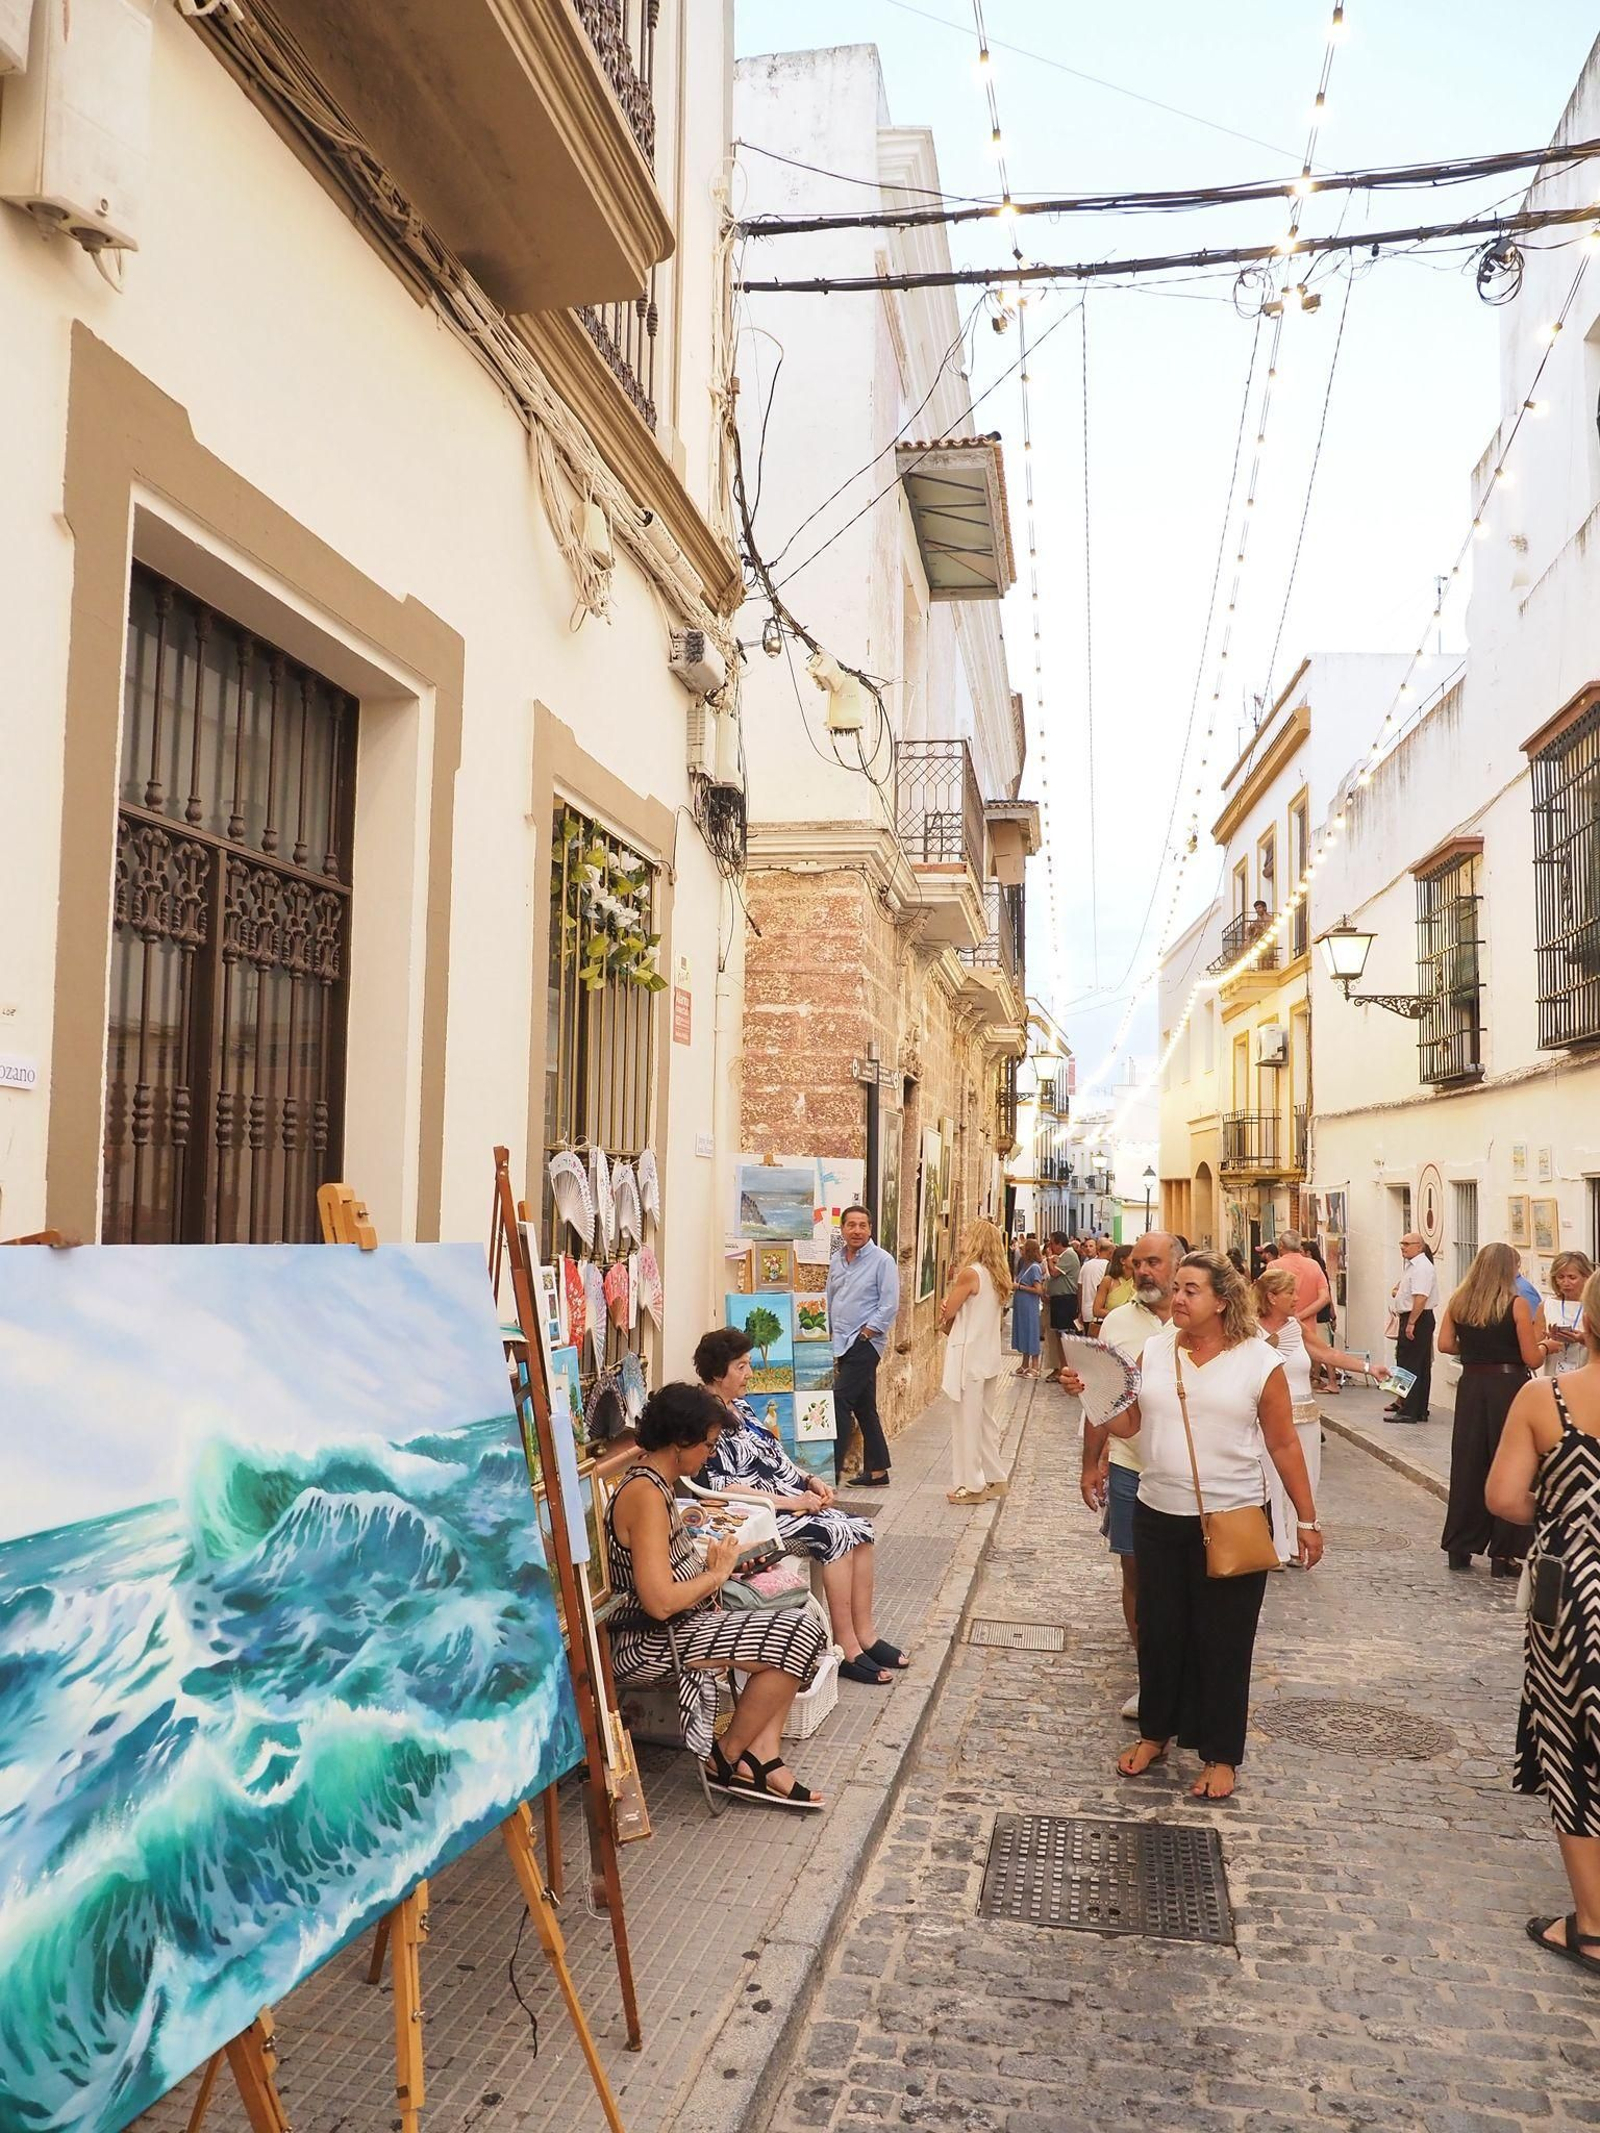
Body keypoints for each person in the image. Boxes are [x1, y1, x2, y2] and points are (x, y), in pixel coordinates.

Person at [1105, 1250, 1323, 1799]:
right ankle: (1157, 1732)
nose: (1177, 1298)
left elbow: (1281, 1442)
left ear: (1222, 1302)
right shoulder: (1155, 1350)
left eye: (1190, 1290)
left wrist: (1307, 1518)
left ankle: (1221, 1753)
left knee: (1223, 1640)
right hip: (1158, 1510)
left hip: (1234, 1516)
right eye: (1175, 1288)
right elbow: (1131, 1423)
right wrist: (1096, 1394)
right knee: (1160, 1632)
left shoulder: (1258, 1361)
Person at [606, 1382, 827, 1809]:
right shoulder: (646, 1495)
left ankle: (759, 1755)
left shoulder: (654, 1484)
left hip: (680, 1625)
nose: (709, 1453)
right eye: (706, 1444)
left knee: (803, 1624)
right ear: (680, 1442)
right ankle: (729, 1757)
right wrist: (717, 1573)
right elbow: (660, 1602)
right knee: (799, 1633)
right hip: (650, 1641)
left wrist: (723, 1561)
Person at [1485, 1268, 1600, 1977]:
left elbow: (1502, 1497)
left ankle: (1591, 1922)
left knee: (1574, 1749)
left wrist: (1566, 1519)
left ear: (1584, 1322)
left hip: (1576, 1600)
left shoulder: (1545, 1397)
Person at [692, 1328, 907, 1687]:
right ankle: (847, 1647)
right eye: (741, 1367)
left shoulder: (741, 1406)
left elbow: (774, 1455)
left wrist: (810, 1479)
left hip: (790, 1498)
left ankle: (866, 1634)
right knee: (836, 1533)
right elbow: (722, 1484)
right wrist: (794, 1502)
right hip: (761, 1511)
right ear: (718, 1373)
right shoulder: (706, 1418)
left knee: (861, 1530)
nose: (749, 1373)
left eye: (748, 1365)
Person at [1069, 1231, 1183, 1722]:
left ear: (1178, 1265)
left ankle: (1186, 1674)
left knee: (1183, 1579)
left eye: (1154, 1262)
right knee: (1134, 1572)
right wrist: (1089, 1462)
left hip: (1187, 1474)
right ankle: (1150, 1677)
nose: (1143, 1272)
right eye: (1137, 1263)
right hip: (1130, 1467)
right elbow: (1102, 1397)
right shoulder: (1116, 1321)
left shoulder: (1202, 1316)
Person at [1254, 1268, 1378, 1564]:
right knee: (1271, 1481)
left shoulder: (1296, 1328)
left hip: (1306, 1418)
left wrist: (1368, 1369)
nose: (1297, 1298)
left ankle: (1298, 1543)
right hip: (1268, 1421)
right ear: (1271, 1297)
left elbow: (1327, 1354)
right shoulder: (1249, 1331)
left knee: (1305, 1480)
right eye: (1290, 1293)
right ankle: (1274, 1547)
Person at [1437, 1242, 1543, 1575]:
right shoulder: (1517, 1306)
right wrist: (1546, 1344)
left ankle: (1460, 1545)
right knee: (1512, 1463)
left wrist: (1472, 1349)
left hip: (1471, 1386)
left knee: (1468, 1462)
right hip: (1508, 1387)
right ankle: (1504, 1552)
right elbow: (1531, 1358)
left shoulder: (1459, 1302)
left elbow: (1444, 1345)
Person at [938, 1217, 1013, 1504]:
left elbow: (948, 1313)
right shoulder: (996, 1276)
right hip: (988, 1355)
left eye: (967, 1234)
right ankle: (995, 1476)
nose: (962, 1238)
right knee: (984, 1420)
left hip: (968, 1356)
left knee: (966, 1422)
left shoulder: (970, 1273)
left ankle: (971, 1484)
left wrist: (946, 1307)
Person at [826, 1205, 899, 1488]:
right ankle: (878, 1471)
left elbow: (889, 1303)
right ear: (843, 1229)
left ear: (870, 1229)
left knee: (839, 1400)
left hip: (865, 1342)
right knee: (865, 1406)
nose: (856, 1230)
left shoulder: (882, 1261)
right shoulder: (837, 1259)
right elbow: (830, 1296)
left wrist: (867, 1333)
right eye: (851, 1225)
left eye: (862, 1225)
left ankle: (830, 1471)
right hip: (840, 1342)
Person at [1386, 1232, 1440, 1423]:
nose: (1403, 1246)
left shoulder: (1422, 1267)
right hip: (1413, 1317)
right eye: (1402, 1243)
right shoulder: (1412, 1266)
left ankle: (1408, 1409)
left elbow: (1421, 1297)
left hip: (1417, 1318)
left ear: (1419, 1246)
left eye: (1407, 1244)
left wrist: (1411, 1323)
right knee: (1415, 1364)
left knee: (1409, 1364)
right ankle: (1416, 1408)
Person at [1542, 1251, 1595, 1376]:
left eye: (1572, 1277)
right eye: (1561, 1277)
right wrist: (1548, 1341)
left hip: (1587, 1375)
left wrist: (1583, 1339)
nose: (1566, 1283)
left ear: (1586, 1277)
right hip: (1554, 1374)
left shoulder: (1594, 1306)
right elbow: (1533, 1351)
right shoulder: (1547, 1305)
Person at [1273, 1230, 1331, 1346]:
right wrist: (1301, 1315)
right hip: (1309, 1331)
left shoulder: (1274, 1266)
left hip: (1283, 1330)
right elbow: (1325, 1298)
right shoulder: (1314, 1265)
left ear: (1281, 1245)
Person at [1043, 1231, 1081, 1374]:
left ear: (1059, 1243)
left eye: (1052, 1243)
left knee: (1064, 1336)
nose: (1050, 1247)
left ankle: (1065, 1367)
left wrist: (1048, 1258)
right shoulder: (1062, 1257)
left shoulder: (1069, 1255)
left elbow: (1054, 1273)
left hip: (1065, 1300)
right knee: (1058, 1336)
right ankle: (1061, 1366)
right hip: (1058, 1300)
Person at [1009, 1235, 1045, 1378]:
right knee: (1023, 1332)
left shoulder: (1035, 1268)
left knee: (1031, 1332)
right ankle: (1024, 1364)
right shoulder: (1025, 1266)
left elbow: (1038, 1290)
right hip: (1021, 1306)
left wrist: (1019, 1287)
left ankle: (1035, 1366)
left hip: (1029, 1306)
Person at [1094, 1243, 1136, 1323]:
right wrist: (1120, 1316)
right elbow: (1096, 1310)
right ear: (1122, 1260)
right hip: (1112, 1326)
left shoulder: (1139, 1281)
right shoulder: (1108, 1281)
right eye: (1133, 1256)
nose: (1138, 1259)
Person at [1079, 1237, 1110, 1336]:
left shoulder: (1086, 1265)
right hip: (1103, 1314)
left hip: (1087, 1312)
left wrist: (1080, 1310)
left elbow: (1079, 1289)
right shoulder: (1108, 1266)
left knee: (1089, 1346)